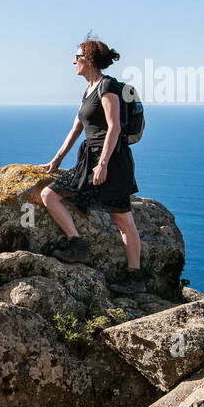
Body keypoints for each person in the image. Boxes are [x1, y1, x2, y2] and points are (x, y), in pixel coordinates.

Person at [38, 36, 146, 295]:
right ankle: (77, 245)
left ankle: (135, 277)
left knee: (122, 220)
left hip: (112, 160)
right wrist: (57, 159)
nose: (74, 61)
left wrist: (104, 164)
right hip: (89, 159)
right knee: (49, 194)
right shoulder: (88, 90)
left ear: (89, 60)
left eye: (78, 57)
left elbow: (115, 127)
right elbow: (76, 128)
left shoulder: (107, 86)